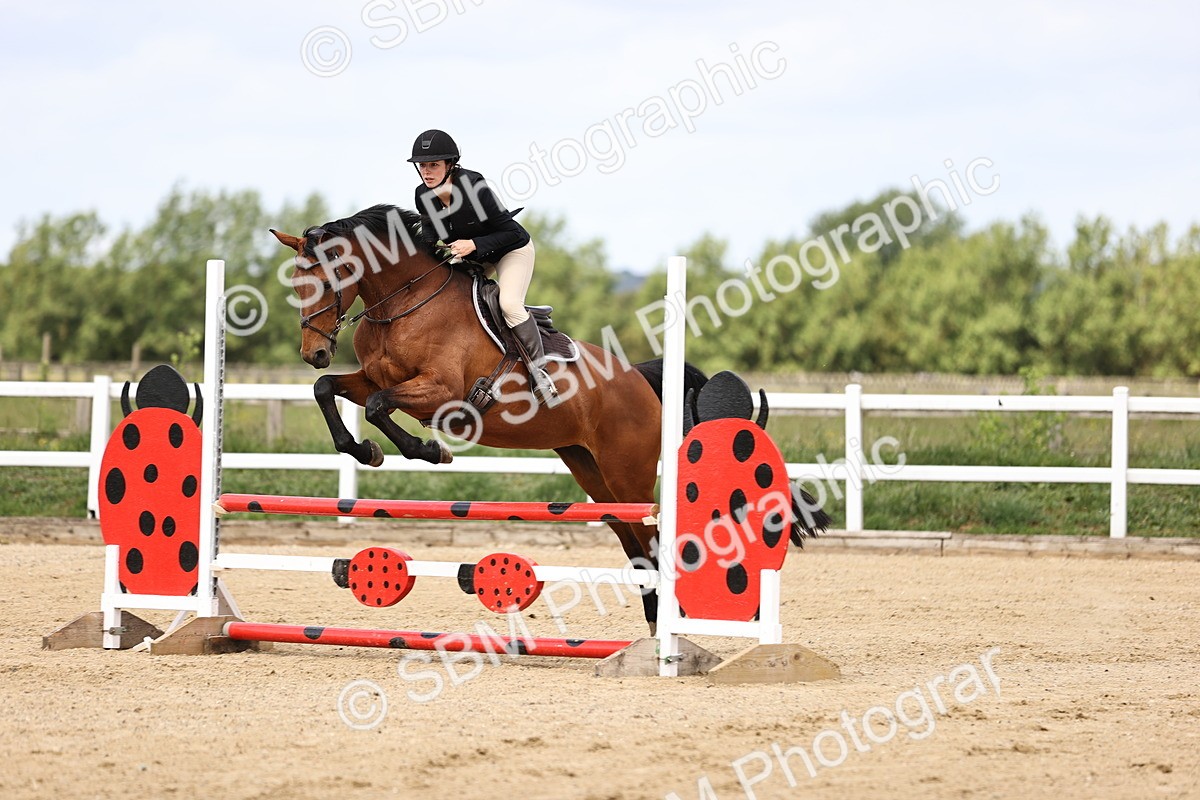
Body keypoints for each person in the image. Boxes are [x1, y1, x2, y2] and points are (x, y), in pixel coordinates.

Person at [408, 128, 556, 402]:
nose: (427, 171)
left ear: (450, 165)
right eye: (423, 166)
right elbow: (430, 236)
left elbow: (513, 233)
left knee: (510, 304)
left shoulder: (474, 188)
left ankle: (541, 372)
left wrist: (474, 244)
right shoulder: (422, 195)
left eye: (434, 165)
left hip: (512, 250)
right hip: (473, 255)